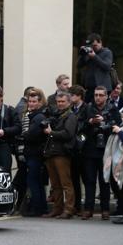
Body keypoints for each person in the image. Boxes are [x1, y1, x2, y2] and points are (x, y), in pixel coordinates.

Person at [79, 86, 121, 220]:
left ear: (106, 96)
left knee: (104, 182)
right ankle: (88, 209)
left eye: (101, 95)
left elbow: (118, 126)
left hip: (106, 151)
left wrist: (105, 123)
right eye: (96, 95)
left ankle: (105, 210)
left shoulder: (113, 109)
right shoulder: (88, 108)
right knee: (90, 181)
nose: (98, 98)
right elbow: (79, 126)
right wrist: (90, 122)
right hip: (90, 151)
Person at [42, 91, 77, 219]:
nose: (60, 104)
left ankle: (68, 210)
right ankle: (57, 209)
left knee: (66, 183)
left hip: (62, 153)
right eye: (58, 102)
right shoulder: (57, 115)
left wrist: (51, 133)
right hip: (52, 153)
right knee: (55, 184)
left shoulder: (71, 116)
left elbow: (68, 134)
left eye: (63, 101)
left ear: (69, 102)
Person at [22, 88, 48, 216]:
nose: (31, 104)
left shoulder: (38, 117)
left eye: (34, 101)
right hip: (32, 153)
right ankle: (41, 208)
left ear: (39, 103)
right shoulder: (32, 116)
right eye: (29, 101)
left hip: (35, 154)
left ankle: (37, 208)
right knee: (37, 181)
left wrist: (22, 136)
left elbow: (31, 135)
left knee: (33, 181)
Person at [12, 86, 35, 214]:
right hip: (23, 148)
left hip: (21, 148)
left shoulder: (22, 108)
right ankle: (21, 203)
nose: (32, 103)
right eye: (31, 99)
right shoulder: (23, 109)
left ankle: (21, 203)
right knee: (23, 175)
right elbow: (23, 133)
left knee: (23, 174)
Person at [77, 33, 114, 103]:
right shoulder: (89, 52)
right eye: (91, 46)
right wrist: (82, 54)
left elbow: (107, 66)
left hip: (102, 88)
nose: (93, 48)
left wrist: (94, 57)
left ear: (100, 42)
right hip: (89, 88)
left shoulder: (107, 52)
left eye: (95, 45)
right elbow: (78, 65)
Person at [68, 85, 87, 215]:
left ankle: (87, 206)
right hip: (73, 149)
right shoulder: (71, 109)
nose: (70, 97)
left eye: (72, 95)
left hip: (84, 149)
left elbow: (84, 126)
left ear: (79, 96)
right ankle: (77, 206)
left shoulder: (87, 108)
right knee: (74, 179)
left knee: (86, 179)